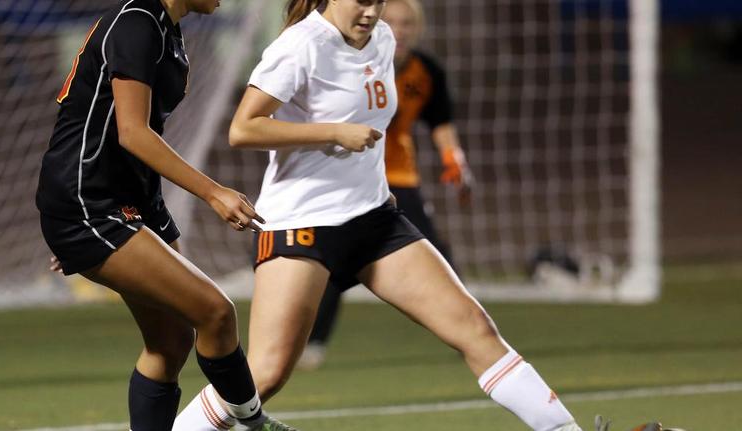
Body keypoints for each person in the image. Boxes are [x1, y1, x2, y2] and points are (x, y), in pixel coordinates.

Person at [174, 0, 587, 430]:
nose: (371, 11)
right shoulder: (301, 46)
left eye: (378, 0)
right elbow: (243, 128)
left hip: (374, 221)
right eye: (361, 0)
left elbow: (375, 123)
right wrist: (332, 132)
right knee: (264, 375)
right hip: (304, 227)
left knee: (475, 328)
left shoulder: (383, 39)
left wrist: (375, 183)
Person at [35, 0, 295, 430]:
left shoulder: (165, 29)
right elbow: (133, 133)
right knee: (216, 312)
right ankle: (254, 422)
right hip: (91, 202)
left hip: (128, 200)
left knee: (171, 342)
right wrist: (212, 192)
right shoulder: (137, 23)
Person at [297, 0, 473, 370]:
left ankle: (469, 333)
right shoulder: (345, 60)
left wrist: (454, 160)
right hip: (348, 177)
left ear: (418, 29)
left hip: (398, 177)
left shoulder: (427, 72)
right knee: (334, 259)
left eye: (407, 23)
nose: (400, 29)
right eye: (393, 21)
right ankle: (312, 342)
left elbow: (441, 124)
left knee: (436, 255)